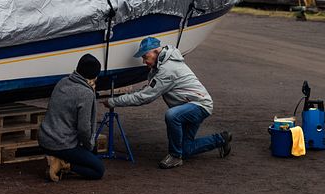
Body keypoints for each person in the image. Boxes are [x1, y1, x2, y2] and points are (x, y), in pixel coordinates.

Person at [103, 36, 231, 169]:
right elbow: (146, 90)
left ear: (155, 52)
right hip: (190, 105)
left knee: (172, 116)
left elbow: (145, 97)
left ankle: (175, 157)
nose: (144, 61)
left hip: (199, 105)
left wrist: (113, 101)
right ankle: (222, 139)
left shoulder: (167, 69)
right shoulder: (161, 65)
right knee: (185, 150)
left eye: (145, 56)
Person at [39, 54, 105, 182]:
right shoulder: (86, 93)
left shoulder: (62, 82)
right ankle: (63, 164)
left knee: (90, 155)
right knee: (98, 169)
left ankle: (60, 159)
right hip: (61, 143)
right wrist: (90, 147)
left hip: (44, 138)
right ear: (94, 76)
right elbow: (84, 128)